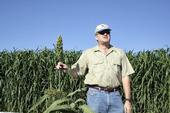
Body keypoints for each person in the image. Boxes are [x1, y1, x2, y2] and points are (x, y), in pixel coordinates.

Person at [56, 24, 135, 113]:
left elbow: (125, 76)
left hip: (115, 96)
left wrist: (128, 100)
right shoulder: (88, 53)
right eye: (102, 32)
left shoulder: (119, 53)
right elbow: (76, 73)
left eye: (107, 32)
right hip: (95, 95)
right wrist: (66, 69)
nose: (105, 34)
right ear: (96, 37)